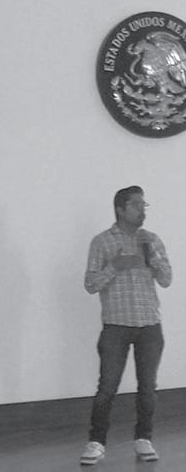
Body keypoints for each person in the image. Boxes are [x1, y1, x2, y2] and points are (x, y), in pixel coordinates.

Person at [80, 186, 172, 465]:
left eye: (144, 204)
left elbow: (166, 279)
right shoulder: (102, 242)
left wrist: (152, 258)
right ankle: (96, 442)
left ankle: (144, 439)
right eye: (136, 205)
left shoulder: (151, 240)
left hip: (149, 325)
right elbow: (90, 284)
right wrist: (116, 266)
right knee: (107, 387)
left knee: (148, 387)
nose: (142, 209)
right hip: (116, 327)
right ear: (120, 209)